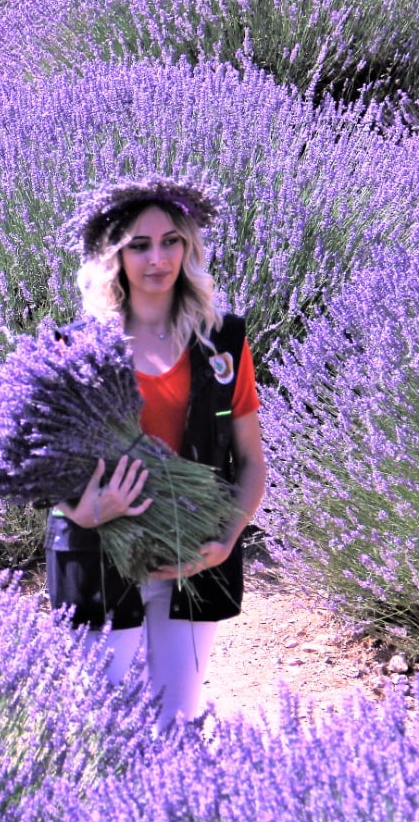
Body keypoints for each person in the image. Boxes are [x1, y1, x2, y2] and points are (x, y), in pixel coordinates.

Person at [46, 176, 267, 736]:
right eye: (138, 245)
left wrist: (226, 540)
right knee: (102, 730)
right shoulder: (76, 344)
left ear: (189, 248)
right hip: (97, 551)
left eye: (171, 241)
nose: (157, 259)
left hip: (191, 555)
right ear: (112, 255)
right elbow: (41, 460)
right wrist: (83, 511)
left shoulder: (224, 340)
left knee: (177, 721)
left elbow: (251, 460)